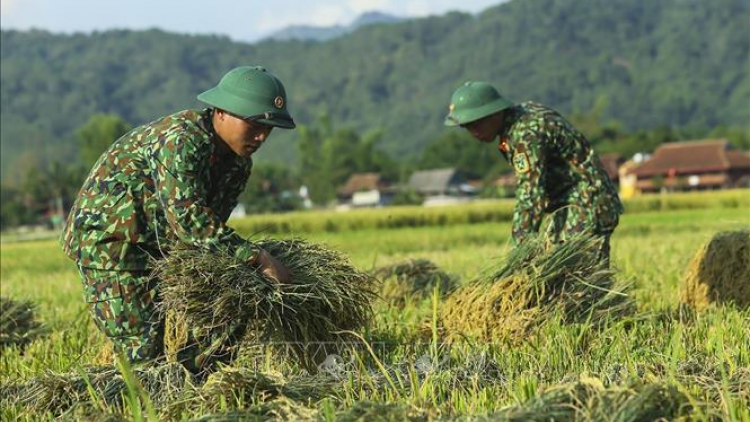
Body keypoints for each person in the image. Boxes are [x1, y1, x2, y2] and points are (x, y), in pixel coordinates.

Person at [61, 66, 294, 372]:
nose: (261, 136)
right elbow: (190, 220)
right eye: (253, 124)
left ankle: (203, 393)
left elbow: (209, 232)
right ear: (222, 112)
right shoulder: (181, 141)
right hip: (113, 246)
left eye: (269, 128)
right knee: (144, 350)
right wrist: (259, 259)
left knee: (222, 317)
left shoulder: (238, 164)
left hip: (161, 247)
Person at [444, 81, 623, 263]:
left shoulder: (525, 134)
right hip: (567, 206)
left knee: (581, 280)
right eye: (466, 126)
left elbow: (530, 196)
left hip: (586, 204)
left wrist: (519, 254)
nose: (473, 132)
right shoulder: (517, 121)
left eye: (476, 123)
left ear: (495, 112)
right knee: (562, 281)